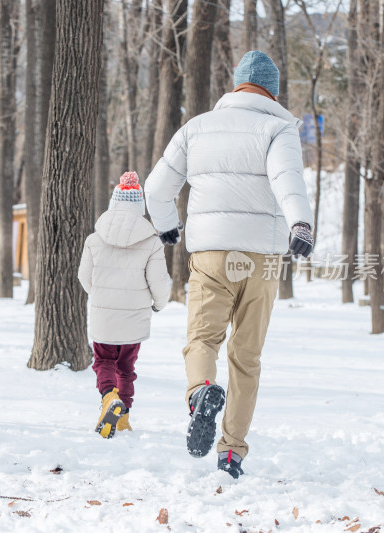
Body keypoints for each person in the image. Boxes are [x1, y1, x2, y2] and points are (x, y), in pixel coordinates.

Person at [144, 50, 315, 477]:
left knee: (202, 340)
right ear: (272, 91)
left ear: (235, 85)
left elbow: (156, 188)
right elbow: (286, 180)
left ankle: (201, 391)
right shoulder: (279, 128)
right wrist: (301, 224)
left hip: (211, 256)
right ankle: (231, 452)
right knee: (247, 357)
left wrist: (168, 228)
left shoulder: (197, 128)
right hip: (262, 260)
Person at [78, 172, 172, 439]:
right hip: (135, 316)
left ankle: (109, 398)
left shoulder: (94, 239)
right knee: (126, 367)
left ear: (113, 202)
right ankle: (124, 418)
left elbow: (84, 277)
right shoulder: (152, 241)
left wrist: (99, 297)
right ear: (139, 205)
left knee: (103, 360)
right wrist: (158, 305)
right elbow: (160, 282)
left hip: (103, 315)